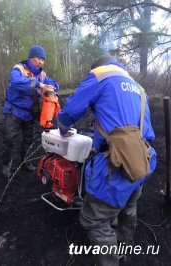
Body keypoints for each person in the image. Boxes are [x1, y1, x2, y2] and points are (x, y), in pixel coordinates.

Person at [57, 55, 156, 266]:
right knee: (129, 205)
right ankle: (124, 248)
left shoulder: (100, 75)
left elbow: (71, 110)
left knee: (94, 219)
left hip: (117, 164)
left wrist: (64, 128)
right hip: (143, 159)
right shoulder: (138, 87)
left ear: (97, 67)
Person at [2, 45, 59, 178]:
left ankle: (25, 163)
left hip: (30, 113)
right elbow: (16, 82)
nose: (41, 62)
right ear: (31, 57)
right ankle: (6, 165)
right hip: (14, 111)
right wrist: (39, 85)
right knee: (9, 139)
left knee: (28, 139)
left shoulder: (42, 74)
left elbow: (55, 84)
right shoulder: (19, 69)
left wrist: (52, 86)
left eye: (43, 60)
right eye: (39, 58)